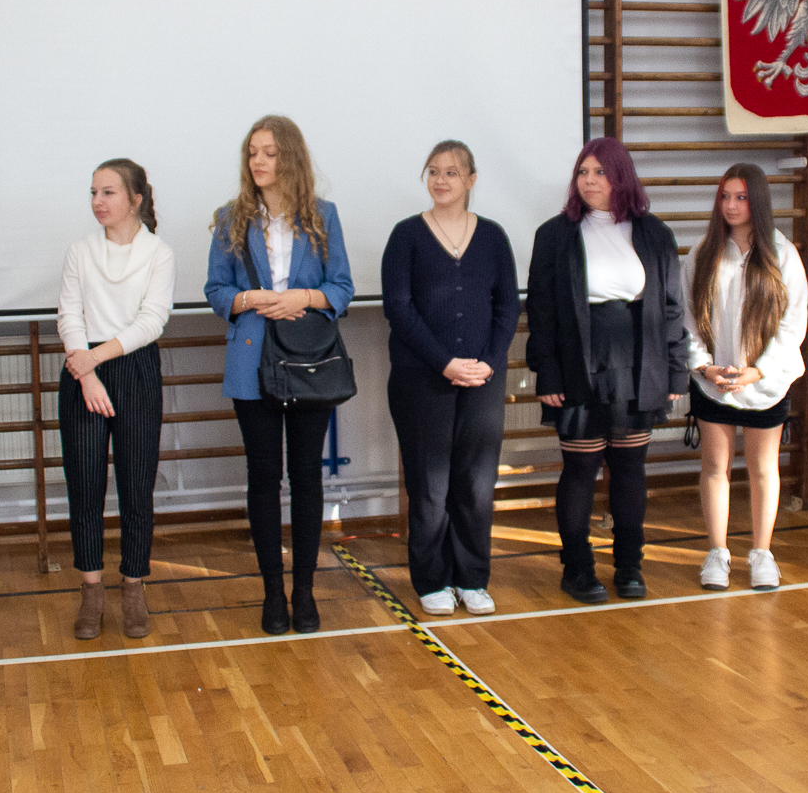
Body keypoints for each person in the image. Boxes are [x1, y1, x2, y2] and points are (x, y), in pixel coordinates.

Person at [204, 115, 354, 635]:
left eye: (269, 152)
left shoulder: (324, 216)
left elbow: (342, 287)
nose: (258, 162)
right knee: (264, 479)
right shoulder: (230, 218)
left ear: (290, 156)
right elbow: (216, 291)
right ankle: (273, 593)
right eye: (252, 153)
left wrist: (302, 299)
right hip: (252, 363)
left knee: (307, 478)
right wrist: (252, 299)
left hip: (309, 362)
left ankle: (304, 591)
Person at [526, 137, 688, 604]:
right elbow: (541, 311)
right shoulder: (554, 234)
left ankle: (630, 566)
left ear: (621, 177)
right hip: (578, 364)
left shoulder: (654, 233)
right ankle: (577, 568)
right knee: (580, 468)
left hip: (639, 365)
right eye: (583, 172)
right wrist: (547, 372)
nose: (590, 180)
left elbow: (672, 307)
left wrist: (675, 371)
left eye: (600, 172)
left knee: (630, 468)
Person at [381, 141, 520, 617]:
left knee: (476, 483)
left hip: (483, 379)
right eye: (434, 172)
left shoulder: (493, 236)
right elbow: (399, 309)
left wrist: (490, 361)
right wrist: (444, 363)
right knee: (430, 485)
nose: (441, 180)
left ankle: (472, 578)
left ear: (471, 180)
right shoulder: (406, 235)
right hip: (421, 379)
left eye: (452, 172)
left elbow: (508, 306)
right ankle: (432, 579)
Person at [57, 159, 173, 640]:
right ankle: (91, 590)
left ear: (135, 199)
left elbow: (151, 321)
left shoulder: (158, 253)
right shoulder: (80, 251)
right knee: (84, 487)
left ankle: (133, 586)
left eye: (108, 192)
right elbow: (69, 315)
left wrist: (95, 359)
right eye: (93, 192)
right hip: (82, 372)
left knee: (136, 486)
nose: (97, 202)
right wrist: (85, 372)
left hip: (134, 368)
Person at [685, 163, 808, 592]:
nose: (732, 206)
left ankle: (761, 553)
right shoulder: (703, 252)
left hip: (766, 383)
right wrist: (704, 366)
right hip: (713, 383)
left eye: (741, 197)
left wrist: (758, 371)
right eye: (725, 197)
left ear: (758, 201)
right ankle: (717, 553)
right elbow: (687, 318)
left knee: (763, 469)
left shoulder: (782, 253)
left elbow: (793, 323)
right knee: (715, 467)